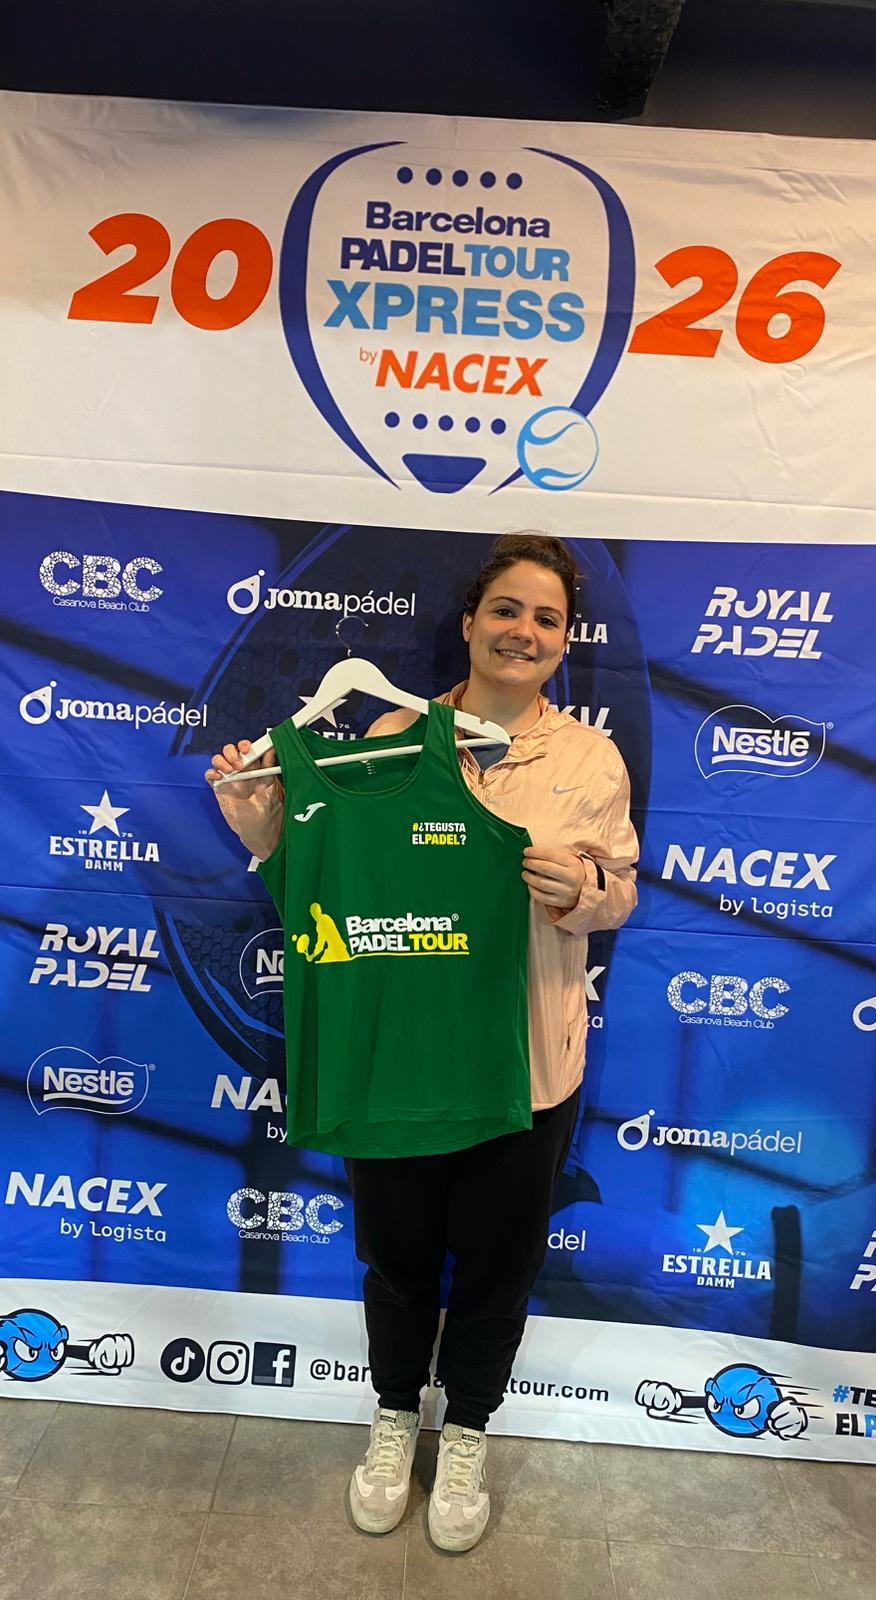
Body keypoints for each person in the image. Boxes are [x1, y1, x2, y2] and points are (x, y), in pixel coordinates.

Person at [206, 531, 638, 1553]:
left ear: (564, 639)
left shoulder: (590, 758)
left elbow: (618, 888)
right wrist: (257, 818)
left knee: (496, 1268)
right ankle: (396, 1413)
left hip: (527, 1066)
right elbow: (323, 863)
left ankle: (470, 1426)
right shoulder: (395, 730)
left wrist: (584, 889)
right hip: (397, 1056)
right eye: (507, 610)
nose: (524, 631)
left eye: (546, 617)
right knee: (397, 1260)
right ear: (471, 622)